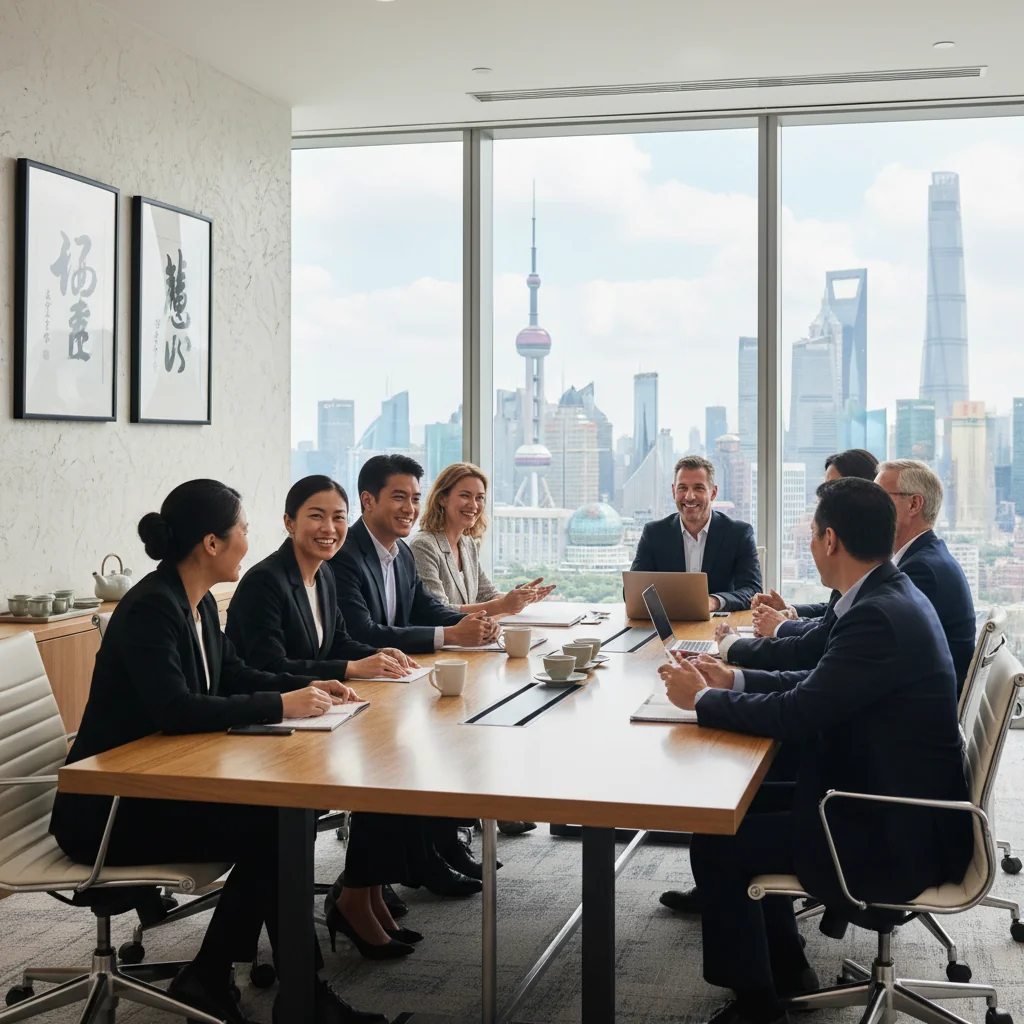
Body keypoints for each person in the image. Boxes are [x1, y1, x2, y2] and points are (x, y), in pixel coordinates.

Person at [48, 479, 386, 1024]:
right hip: (107, 809)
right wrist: (278, 704)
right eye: (243, 531)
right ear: (212, 543)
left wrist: (314, 690)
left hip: (155, 786)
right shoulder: (152, 609)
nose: (247, 541)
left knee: (281, 823)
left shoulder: (197, 603)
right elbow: (176, 710)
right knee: (277, 830)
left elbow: (231, 673)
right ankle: (285, 993)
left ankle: (222, 980)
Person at [655, 478, 972, 1024]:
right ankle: (788, 970)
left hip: (892, 827)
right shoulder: (883, 593)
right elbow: (817, 682)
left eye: (810, 535)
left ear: (830, 540)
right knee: (738, 810)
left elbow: (800, 714)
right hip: (879, 788)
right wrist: (733, 680)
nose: (809, 544)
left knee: (717, 843)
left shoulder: (877, 613)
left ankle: (759, 1007)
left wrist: (703, 699)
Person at [226, 474, 426, 959]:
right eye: (316, 516)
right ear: (289, 522)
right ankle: (355, 898)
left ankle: (365, 891)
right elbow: (267, 667)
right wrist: (351, 666)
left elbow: (337, 643)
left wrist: (381, 653)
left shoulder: (324, 573)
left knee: (394, 762)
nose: (330, 528)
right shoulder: (265, 583)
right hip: (267, 732)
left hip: (315, 720)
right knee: (382, 770)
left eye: (338, 517)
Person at [329, 454, 495, 894]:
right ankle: (421, 862)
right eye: (398, 497)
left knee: (445, 733)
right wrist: (449, 636)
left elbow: (425, 607)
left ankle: (441, 847)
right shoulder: (345, 553)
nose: (409, 508)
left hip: (396, 679)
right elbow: (363, 631)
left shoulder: (400, 551)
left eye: (415, 498)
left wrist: (467, 625)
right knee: (414, 751)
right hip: (356, 684)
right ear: (367, 500)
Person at [410, 461, 555, 838]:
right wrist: (502, 607)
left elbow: (487, 596)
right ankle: (476, 812)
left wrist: (517, 597)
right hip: (442, 658)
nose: (473, 504)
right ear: (442, 499)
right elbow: (439, 609)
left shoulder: (469, 543)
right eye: (465, 495)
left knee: (494, 727)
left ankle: (492, 805)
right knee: (467, 735)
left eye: (479, 498)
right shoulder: (424, 545)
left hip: (471, 655)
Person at [749, 449, 879, 639]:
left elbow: (827, 635)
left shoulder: (866, 554)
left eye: (833, 488)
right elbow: (833, 613)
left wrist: (781, 626)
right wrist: (789, 610)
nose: (824, 499)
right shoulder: (852, 549)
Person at [630, 455, 761, 612]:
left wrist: (714, 601)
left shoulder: (738, 534)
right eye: (682, 488)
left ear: (713, 493)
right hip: (669, 625)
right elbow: (632, 593)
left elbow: (752, 591)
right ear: (673, 491)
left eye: (698, 488)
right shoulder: (654, 534)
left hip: (721, 629)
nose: (689, 496)